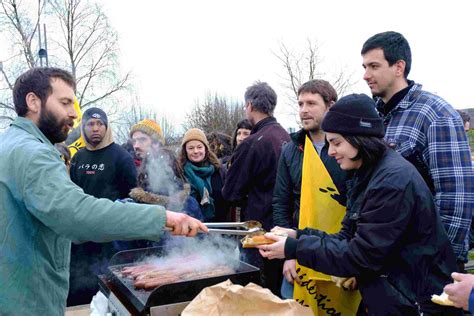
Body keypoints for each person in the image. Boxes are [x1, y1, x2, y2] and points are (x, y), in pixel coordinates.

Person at [0, 67, 207, 315]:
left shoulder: (10, 143)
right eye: (65, 102)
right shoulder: (34, 154)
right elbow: (77, 213)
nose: (73, 114)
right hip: (27, 298)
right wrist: (162, 217)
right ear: (33, 101)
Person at [259, 94, 461, 315]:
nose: (331, 151)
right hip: (393, 296)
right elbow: (347, 237)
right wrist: (297, 235)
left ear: (360, 138)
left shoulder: (391, 181)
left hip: (416, 302)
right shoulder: (366, 173)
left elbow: (361, 256)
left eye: (336, 142)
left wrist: (292, 248)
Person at [361, 31, 473, 266]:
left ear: (398, 67)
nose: (365, 75)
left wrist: (440, 263)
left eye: (373, 66)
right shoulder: (373, 116)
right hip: (384, 256)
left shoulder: (435, 114)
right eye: (364, 67)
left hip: (423, 263)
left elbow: (456, 197)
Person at [272, 79, 350, 299]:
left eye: (311, 103)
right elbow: (281, 203)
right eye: (300, 104)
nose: (304, 110)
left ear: (330, 106)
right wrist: (288, 253)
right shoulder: (290, 150)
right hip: (300, 253)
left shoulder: (348, 149)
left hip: (342, 253)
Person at [222, 81, 290, 296]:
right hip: (285, 231)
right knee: (278, 294)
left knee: (256, 294)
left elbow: (230, 192)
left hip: (259, 232)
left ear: (250, 105)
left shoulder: (253, 143)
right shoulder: (286, 138)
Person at [70, 107, 137, 201]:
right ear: (83, 128)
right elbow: (72, 192)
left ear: (107, 127)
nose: (95, 129)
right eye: (90, 124)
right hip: (81, 214)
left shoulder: (122, 157)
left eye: (100, 124)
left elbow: (132, 196)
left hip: (113, 214)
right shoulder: (77, 158)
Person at [178, 128, 229, 222]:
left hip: (220, 229)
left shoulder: (220, 170)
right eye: (191, 148)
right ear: (185, 150)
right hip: (190, 231)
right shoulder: (179, 173)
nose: (196, 151)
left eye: (199, 147)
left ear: (206, 148)